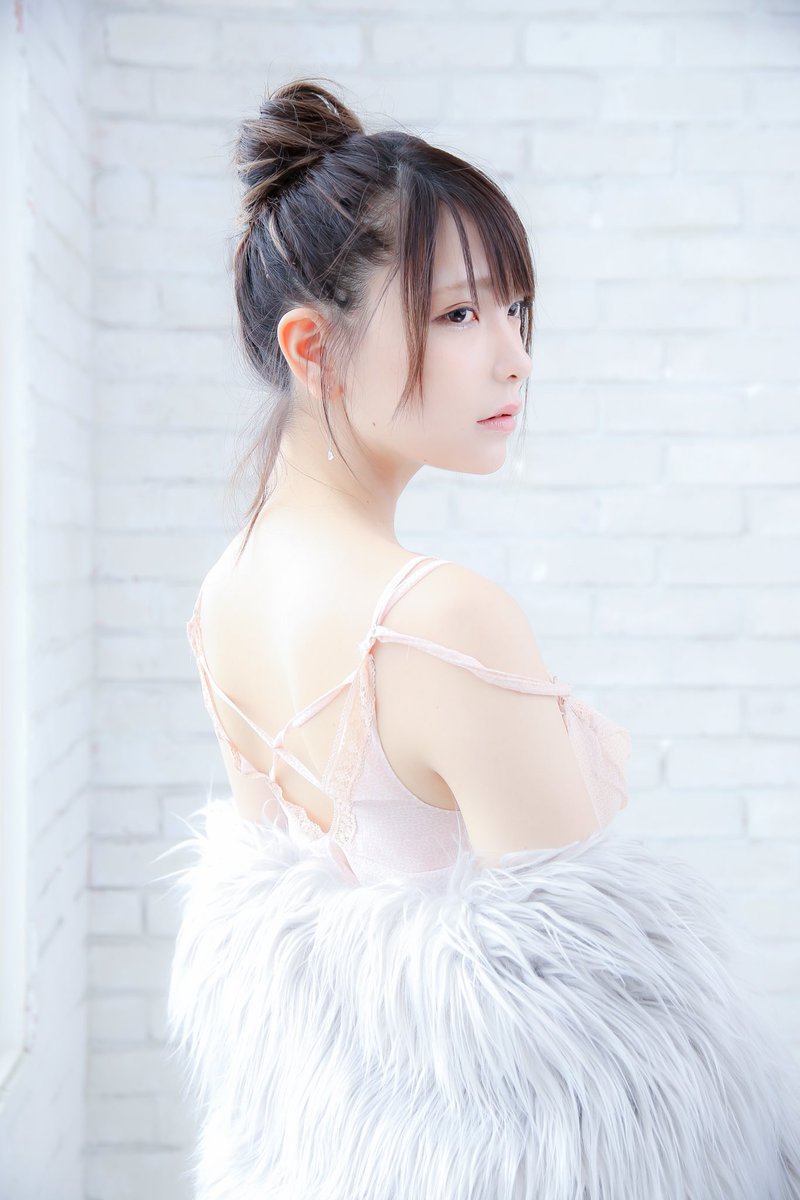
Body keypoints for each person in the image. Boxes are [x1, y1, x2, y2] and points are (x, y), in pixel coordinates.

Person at [160, 77, 800, 1199]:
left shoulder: (225, 595)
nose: (513, 358)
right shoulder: (439, 617)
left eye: (515, 310)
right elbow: (606, 1052)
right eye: (457, 315)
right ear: (312, 347)